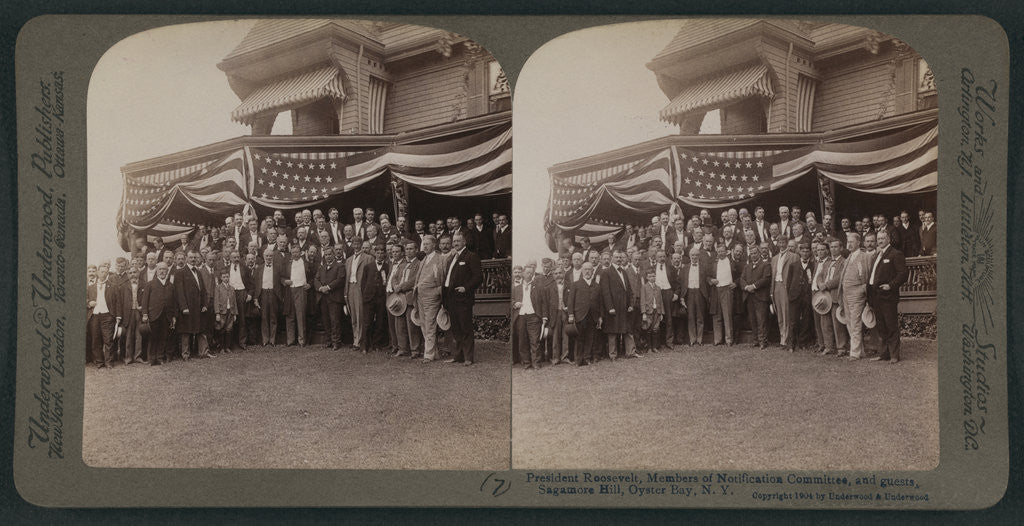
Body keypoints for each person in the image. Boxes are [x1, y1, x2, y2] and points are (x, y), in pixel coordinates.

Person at [868, 230, 909, 363]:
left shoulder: (896, 254)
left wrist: (890, 285)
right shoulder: (877, 255)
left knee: (891, 326)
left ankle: (894, 355)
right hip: (876, 296)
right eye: (878, 239)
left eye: (882, 238)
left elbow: (903, 274)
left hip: (888, 296)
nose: (880, 241)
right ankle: (884, 354)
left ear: (889, 239)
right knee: (881, 326)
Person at [442, 233, 483, 365]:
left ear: (464, 242)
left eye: (458, 241)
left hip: (463, 299)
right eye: (454, 241)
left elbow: (478, 277)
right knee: (456, 329)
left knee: (465, 328)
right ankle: (458, 356)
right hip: (451, 298)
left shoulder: (471, 256)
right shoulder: (452, 257)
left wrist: (466, 287)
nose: (455, 243)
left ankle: (468, 358)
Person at [838, 232, 872, 360]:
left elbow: (866, 275)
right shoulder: (849, 257)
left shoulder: (864, 257)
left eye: (852, 242)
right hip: (846, 293)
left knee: (855, 321)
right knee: (849, 321)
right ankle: (859, 350)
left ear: (858, 242)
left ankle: (855, 353)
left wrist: (863, 289)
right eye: (848, 242)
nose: (849, 244)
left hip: (857, 293)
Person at [414, 235, 445, 362]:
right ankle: (434, 352)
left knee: (430, 324)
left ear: (434, 245)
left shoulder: (439, 259)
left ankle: (428, 354)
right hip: (420, 296)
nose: (424, 246)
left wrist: (438, 292)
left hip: (432, 296)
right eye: (423, 244)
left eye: (427, 244)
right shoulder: (423, 260)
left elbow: (440, 278)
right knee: (423, 324)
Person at [600, 249, 636, 360]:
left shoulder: (624, 272)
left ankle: (630, 352)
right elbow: (605, 292)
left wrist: (630, 304)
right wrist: (610, 307)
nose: (619, 259)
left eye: (620, 257)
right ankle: (613, 355)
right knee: (612, 331)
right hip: (614, 307)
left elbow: (628, 290)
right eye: (616, 257)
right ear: (612, 258)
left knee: (627, 330)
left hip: (624, 307)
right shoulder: (606, 272)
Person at [174, 249, 210, 360]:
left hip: (199, 307)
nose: (193, 259)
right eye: (191, 257)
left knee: (201, 330)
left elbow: (202, 290)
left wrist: (205, 304)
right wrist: (183, 307)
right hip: (188, 307)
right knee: (186, 331)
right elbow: (179, 292)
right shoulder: (180, 272)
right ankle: (185, 354)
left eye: (195, 257)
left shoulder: (198, 272)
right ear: (186, 259)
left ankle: (203, 352)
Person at [512, 263, 547, 369]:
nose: (530, 275)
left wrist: (544, 317)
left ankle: (536, 363)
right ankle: (526, 362)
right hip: (521, 316)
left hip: (534, 316)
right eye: (527, 272)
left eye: (531, 273)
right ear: (523, 273)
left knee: (534, 340)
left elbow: (544, 303)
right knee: (522, 340)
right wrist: (514, 304)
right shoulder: (516, 288)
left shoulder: (538, 287)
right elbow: (511, 300)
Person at [391, 241, 422, 358]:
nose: (408, 251)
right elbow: (394, 277)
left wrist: (401, 287)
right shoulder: (402, 264)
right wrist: (395, 286)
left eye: (411, 249)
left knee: (411, 325)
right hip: (399, 298)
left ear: (416, 250)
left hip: (410, 297)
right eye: (407, 249)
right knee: (400, 324)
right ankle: (402, 348)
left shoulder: (418, 264)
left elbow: (415, 280)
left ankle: (415, 350)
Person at [87, 263, 121, 369]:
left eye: (106, 272)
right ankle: (99, 361)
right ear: (97, 272)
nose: (104, 273)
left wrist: (118, 316)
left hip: (108, 316)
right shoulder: (90, 287)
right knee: (95, 339)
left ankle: (109, 362)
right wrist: (89, 303)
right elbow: (85, 299)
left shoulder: (113, 286)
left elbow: (118, 302)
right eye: (102, 271)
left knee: (108, 339)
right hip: (94, 316)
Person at [141, 262, 176, 366]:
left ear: (167, 271)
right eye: (160, 269)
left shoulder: (171, 285)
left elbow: (174, 302)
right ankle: (151, 359)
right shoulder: (150, 284)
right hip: (153, 315)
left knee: (163, 337)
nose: (162, 271)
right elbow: (144, 301)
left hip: (166, 316)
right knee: (153, 337)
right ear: (157, 271)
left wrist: (174, 316)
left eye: (164, 269)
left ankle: (160, 358)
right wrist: (145, 314)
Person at [567, 262, 602, 366]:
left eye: (589, 269)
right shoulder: (576, 284)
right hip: (580, 316)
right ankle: (578, 360)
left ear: (592, 271)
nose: (587, 271)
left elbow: (600, 302)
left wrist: (600, 316)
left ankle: (587, 358)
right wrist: (571, 314)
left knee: (590, 338)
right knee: (579, 338)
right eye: (585, 269)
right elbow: (570, 301)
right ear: (582, 271)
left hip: (593, 316)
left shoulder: (597, 286)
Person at [820, 238, 850, 356]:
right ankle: (828, 346)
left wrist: (826, 285)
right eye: (831, 247)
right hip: (824, 297)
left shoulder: (844, 262)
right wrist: (820, 283)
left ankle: (841, 347)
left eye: (835, 247)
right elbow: (820, 276)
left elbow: (839, 279)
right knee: (825, 323)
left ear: (841, 248)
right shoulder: (827, 262)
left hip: (835, 296)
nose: (833, 249)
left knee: (837, 323)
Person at [739, 245, 772, 349]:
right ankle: (755, 340)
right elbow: (741, 279)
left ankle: (763, 341)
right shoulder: (747, 266)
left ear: (759, 253)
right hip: (749, 296)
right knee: (752, 319)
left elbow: (766, 279)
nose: (753, 255)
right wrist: (746, 287)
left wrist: (754, 286)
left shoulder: (766, 265)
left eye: (755, 253)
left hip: (760, 297)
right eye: (751, 253)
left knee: (761, 319)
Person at [314, 246, 346, 350]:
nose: (328, 256)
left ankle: (336, 342)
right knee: (326, 320)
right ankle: (328, 341)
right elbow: (316, 279)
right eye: (326, 255)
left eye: (329, 254)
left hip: (334, 298)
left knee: (335, 320)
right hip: (323, 297)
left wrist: (328, 287)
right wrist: (320, 288)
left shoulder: (340, 266)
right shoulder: (322, 267)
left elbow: (340, 280)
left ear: (333, 254)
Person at [360, 244, 390, 353]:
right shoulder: (368, 266)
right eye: (378, 253)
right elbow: (363, 283)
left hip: (381, 298)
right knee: (367, 322)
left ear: (385, 254)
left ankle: (376, 344)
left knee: (380, 321)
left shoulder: (387, 267)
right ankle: (364, 345)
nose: (380, 255)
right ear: (374, 253)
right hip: (369, 298)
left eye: (382, 253)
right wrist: (364, 296)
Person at [282, 244, 311, 346]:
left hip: (301, 290)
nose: (295, 254)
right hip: (290, 290)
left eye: (297, 252)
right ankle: (290, 340)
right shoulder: (287, 263)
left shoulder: (306, 263)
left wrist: (309, 284)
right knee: (290, 315)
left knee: (300, 315)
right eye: (293, 252)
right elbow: (281, 277)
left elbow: (312, 276)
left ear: (300, 252)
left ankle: (301, 340)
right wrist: (285, 281)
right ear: (291, 253)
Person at [709, 243, 737, 346]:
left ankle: (729, 339)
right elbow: (707, 276)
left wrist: (736, 283)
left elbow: (738, 275)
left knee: (727, 315)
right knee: (716, 315)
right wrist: (711, 280)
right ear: (717, 252)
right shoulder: (714, 263)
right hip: (716, 290)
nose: (721, 253)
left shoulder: (731, 262)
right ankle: (718, 339)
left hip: (727, 290)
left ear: (726, 251)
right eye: (719, 251)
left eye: (723, 251)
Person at [251, 246, 281, 346]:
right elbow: (255, 284)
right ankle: (265, 339)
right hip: (263, 294)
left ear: (273, 257)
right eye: (267, 256)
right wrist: (255, 298)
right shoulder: (259, 269)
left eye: (271, 256)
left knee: (273, 317)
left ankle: (272, 340)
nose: (269, 258)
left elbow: (281, 282)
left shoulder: (277, 268)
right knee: (264, 317)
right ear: (264, 256)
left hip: (273, 294)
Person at [640, 267, 664, 352]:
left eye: (653, 276)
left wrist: (661, 313)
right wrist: (643, 313)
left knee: (656, 329)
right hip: (648, 312)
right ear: (647, 277)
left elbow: (661, 300)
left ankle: (654, 347)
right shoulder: (644, 287)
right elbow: (642, 300)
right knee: (648, 329)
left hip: (657, 311)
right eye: (650, 276)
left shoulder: (658, 287)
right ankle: (649, 347)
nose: (652, 278)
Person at [214, 270, 238, 353]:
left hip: (230, 311)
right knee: (221, 329)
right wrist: (217, 313)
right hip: (222, 312)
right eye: (224, 277)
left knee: (229, 329)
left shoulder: (231, 288)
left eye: (227, 277)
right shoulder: (218, 288)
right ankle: (221, 348)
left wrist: (235, 313)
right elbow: (216, 301)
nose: (226, 278)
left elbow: (234, 301)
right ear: (221, 278)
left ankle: (227, 347)